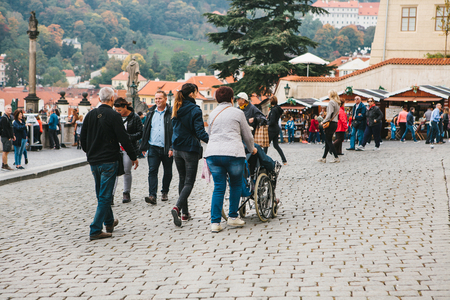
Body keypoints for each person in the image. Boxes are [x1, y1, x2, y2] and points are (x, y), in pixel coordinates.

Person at [80, 87, 139, 241]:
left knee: (101, 192)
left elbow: (83, 139)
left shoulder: (90, 115)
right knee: (105, 195)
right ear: (112, 99)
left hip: (94, 160)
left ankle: (109, 222)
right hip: (108, 160)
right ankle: (95, 229)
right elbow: (123, 138)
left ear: (99, 99)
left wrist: (90, 152)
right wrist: (133, 156)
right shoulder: (114, 115)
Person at [205, 86, 256, 233]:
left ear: (217, 99)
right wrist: (251, 148)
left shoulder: (212, 114)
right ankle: (233, 217)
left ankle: (215, 222)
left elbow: (210, 133)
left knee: (219, 187)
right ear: (232, 99)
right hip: (233, 153)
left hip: (213, 154)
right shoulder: (238, 113)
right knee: (235, 184)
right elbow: (247, 135)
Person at [170, 83, 209, 227]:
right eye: (196, 92)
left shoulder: (176, 107)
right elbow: (200, 132)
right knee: (189, 182)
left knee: (182, 179)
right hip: (190, 148)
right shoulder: (195, 110)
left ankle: (185, 213)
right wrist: (212, 141)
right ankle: (177, 208)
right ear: (192, 94)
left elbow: (173, 129)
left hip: (177, 149)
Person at [140, 91, 173, 205]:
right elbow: (146, 130)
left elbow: (174, 131)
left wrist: (172, 147)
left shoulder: (170, 112)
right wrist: (144, 146)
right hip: (153, 146)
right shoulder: (150, 113)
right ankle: (152, 195)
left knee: (167, 171)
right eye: (156, 98)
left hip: (167, 147)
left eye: (160, 98)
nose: (158, 101)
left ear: (165, 99)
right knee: (152, 171)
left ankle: (164, 191)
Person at [112, 97, 143, 204]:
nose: (118, 112)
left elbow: (140, 133)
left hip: (129, 147)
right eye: (116, 110)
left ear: (125, 107)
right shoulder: (114, 116)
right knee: (113, 171)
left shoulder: (134, 117)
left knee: (126, 170)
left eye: (119, 110)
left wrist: (127, 137)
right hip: (115, 148)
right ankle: (111, 194)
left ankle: (126, 193)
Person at [318, 90, 340, 163]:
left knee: (329, 141)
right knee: (328, 141)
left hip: (330, 123)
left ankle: (336, 157)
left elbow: (329, 114)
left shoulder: (331, 102)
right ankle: (324, 158)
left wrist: (323, 121)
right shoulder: (337, 103)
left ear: (331, 95)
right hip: (335, 123)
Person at [267, 96, 287, 164]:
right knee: (276, 145)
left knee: (266, 145)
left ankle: (263, 160)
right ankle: (284, 160)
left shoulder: (273, 110)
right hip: (276, 128)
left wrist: (267, 123)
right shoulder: (278, 109)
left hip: (272, 129)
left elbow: (272, 121)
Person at [1, 105, 15, 171]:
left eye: (10, 108)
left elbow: (10, 128)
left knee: (6, 151)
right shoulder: (4, 118)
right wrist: (9, 137)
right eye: (8, 108)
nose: (10, 110)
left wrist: (12, 135)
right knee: (5, 151)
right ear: (5, 110)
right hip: (5, 137)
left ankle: (4, 164)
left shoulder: (9, 118)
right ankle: (5, 164)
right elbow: (5, 129)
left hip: (8, 136)